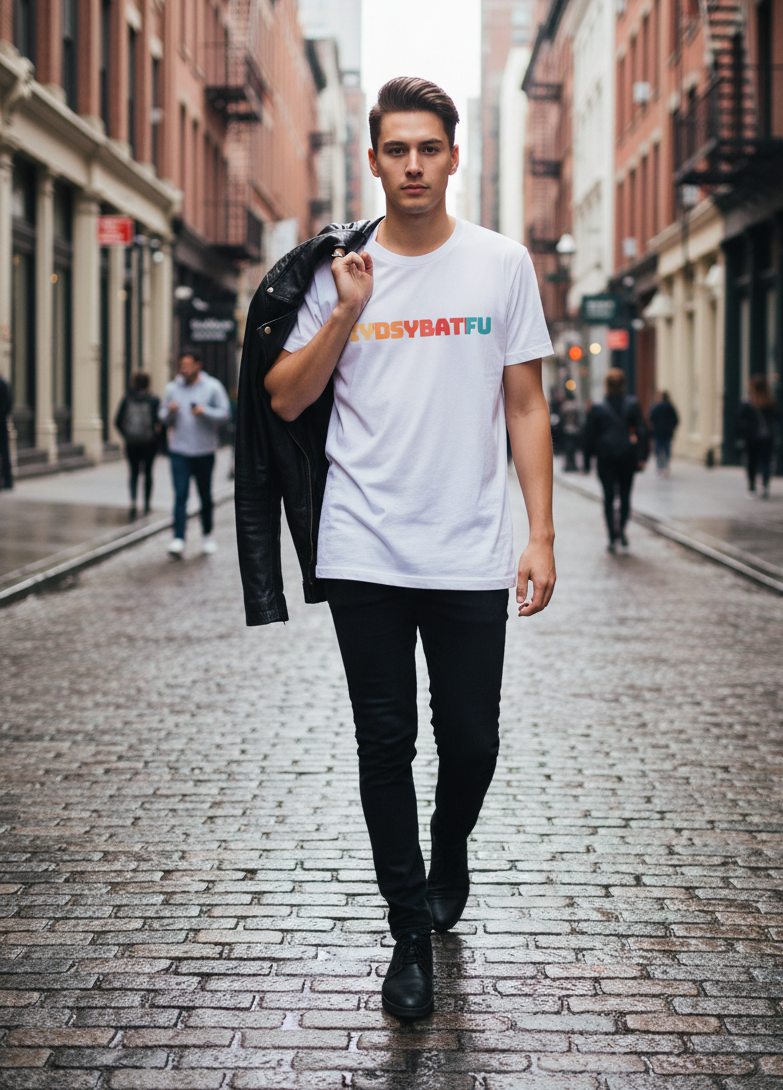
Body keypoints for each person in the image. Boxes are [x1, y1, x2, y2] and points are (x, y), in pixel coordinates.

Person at [238, 77, 556, 1021]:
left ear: (454, 157)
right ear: (373, 160)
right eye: (396, 150)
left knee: (472, 742)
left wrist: (540, 533)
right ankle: (408, 931)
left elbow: (525, 405)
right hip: (364, 544)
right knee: (385, 742)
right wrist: (345, 310)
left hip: (468, 548)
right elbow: (284, 397)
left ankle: (449, 843)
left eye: (429, 148)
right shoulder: (336, 272)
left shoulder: (501, 264)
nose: (413, 165)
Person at [158, 349, 230, 557]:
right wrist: (169, 411)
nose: (184, 370)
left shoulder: (213, 387)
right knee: (180, 495)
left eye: (188, 365)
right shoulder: (172, 388)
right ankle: (178, 539)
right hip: (179, 450)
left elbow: (225, 414)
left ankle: (207, 536)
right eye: (181, 366)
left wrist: (205, 411)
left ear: (198, 365)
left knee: (205, 495)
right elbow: (162, 417)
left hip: (204, 451)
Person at [583, 369, 648, 552]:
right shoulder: (632, 405)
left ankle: (612, 535)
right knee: (625, 496)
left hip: (605, 458)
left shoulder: (598, 408)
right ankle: (622, 529)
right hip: (627, 457)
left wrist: (587, 461)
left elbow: (589, 436)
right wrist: (641, 457)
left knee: (609, 497)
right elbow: (642, 431)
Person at [115, 371, 160, 519]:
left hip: (132, 443)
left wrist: (126, 435)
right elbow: (160, 421)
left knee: (133, 473)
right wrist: (156, 438)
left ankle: (133, 501)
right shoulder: (153, 400)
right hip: (149, 443)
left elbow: (117, 421)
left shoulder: (127, 398)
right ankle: (147, 504)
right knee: (148, 473)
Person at [737, 374, 778, 498]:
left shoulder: (747, 401)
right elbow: (778, 417)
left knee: (751, 461)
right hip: (767, 436)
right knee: (766, 461)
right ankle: (765, 485)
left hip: (752, 437)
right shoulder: (770, 401)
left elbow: (739, 418)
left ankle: (752, 485)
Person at [649, 390, 679, 476]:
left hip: (658, 432)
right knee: (667, 450)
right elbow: (676, 419)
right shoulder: (670, 407)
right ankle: (665, 466)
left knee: (658, 450)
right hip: (667, 432)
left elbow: (651, 417)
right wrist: (671, 427)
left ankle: (660, 467)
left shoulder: (656, 407)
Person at [559, 391, 582, 471]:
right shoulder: (575, 405)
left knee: (567, 448)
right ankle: (573, 464)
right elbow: (578, 418)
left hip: (566, 429)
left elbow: (562, 419)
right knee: (574, 449)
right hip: (574, 429)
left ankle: (568, 464)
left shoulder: (564, 406)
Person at [0, 374, 12, 490]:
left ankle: (7, 480)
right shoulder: (3, 384)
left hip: (1, 425)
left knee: (4, 453)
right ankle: (7, 481)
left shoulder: (2, 384)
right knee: (4, 453)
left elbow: (7, 404)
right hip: (2, 423)